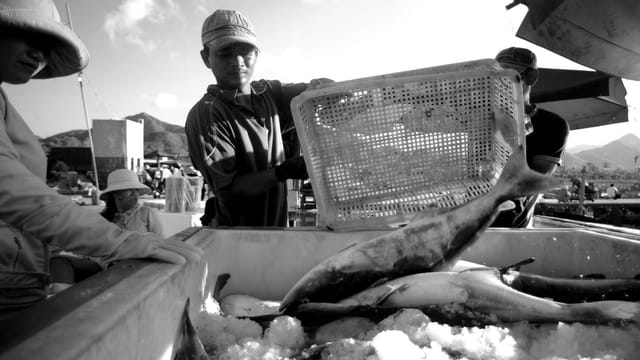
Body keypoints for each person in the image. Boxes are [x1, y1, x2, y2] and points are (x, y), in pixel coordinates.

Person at [0, 0, 202, 320]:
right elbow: (10, 189)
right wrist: (118, 242)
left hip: (21, 283)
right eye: (28, 37)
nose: (38, 55)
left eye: (47, 46)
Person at [185, 9, 332, 227]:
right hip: (236, 237)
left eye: (246, 52)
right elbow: (229, 191)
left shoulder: (269, 93)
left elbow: (313, 95)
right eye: (225, 53)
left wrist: (325, 90)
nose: (238, 61)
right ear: (206, 57)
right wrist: (285, 171)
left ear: (257, 54)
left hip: (277, 229)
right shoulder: (207, 115)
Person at [491, 47, 570, 228]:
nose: (502, 81)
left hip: (513, 229)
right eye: (497, 75)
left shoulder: (553, 125)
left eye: (511, 74)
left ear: (532, 77)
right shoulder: (480, 119)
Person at [100, 169, 164, 235]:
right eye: (130, 190)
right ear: (116, 194)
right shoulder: (103, 220)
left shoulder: (147, 214)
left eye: (136, 189)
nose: (135, 194)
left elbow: (159, 243)